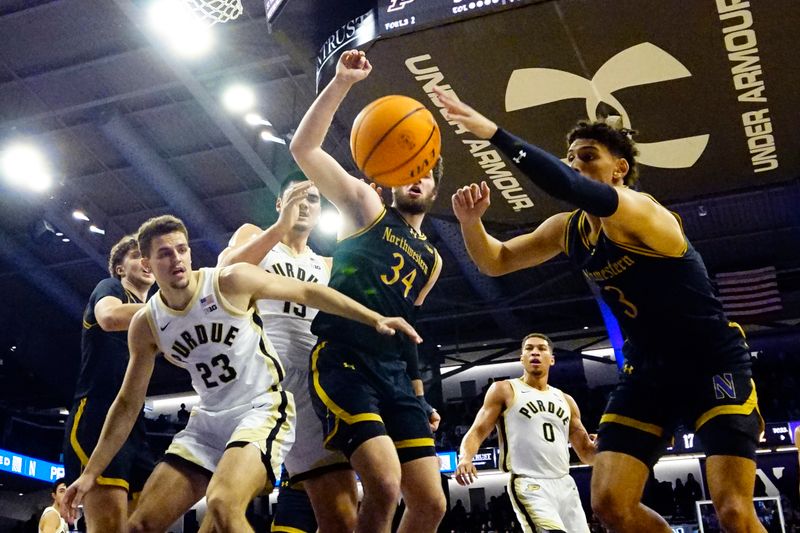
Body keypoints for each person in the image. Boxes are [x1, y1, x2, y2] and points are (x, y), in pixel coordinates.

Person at [434, 86, 765, 533]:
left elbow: (565, 184)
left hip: (711, 361)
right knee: (610, 505)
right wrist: (471, 224)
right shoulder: (566, 230)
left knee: (733, 511)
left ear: (620, 170)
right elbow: (497, 261)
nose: (575, 166)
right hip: (648, 369)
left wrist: (493, 133)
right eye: (571, 158)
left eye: (588, 156)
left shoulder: (640, 211)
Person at [61, 214, 422, 533]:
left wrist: (374, 317)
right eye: (165, 253)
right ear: (148, 263)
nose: (177, 259)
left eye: (182, 249)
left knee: (223, 503)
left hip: (262, 409)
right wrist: (91, 472)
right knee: (140, 525)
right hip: (208, 423)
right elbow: (127, 403)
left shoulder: (228, 282)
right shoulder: (147, 322)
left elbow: (309, 291)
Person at [290, 49, 446, 533]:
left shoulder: (433, 259)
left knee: (431, 503)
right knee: (382, 483)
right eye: (410, 170)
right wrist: (341, 84)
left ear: (434, 185)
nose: (416, 178)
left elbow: (410, 336)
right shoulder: (363, 206)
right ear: (393, 175)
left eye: (426, 171)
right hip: (345, 359)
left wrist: (420, 396)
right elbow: (304, 150)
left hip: (395, 374)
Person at [217, 173, 348, 533]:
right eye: (297, 197)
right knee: (224, 504)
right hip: (259, 385)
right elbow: (223, 273)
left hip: (310, 393)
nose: (305, 205)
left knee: (343, 517)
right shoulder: (255, 236)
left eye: (314, 199)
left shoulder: (325, 264)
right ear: (280, 205)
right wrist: (278, 228)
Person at [455, 333, 595, 533]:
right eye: (529, 349)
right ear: (521, 358)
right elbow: (477, 431)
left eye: (541, 348)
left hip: (565, 483)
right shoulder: (505, 389)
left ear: (552, 359)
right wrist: (465, 458)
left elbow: (587, 454)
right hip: (529, 482)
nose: (535, 352)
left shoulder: (566, 400)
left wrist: (603, 447)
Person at [62, 235, 155, 533]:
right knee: (109, 527)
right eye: (138, 255)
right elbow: (110, 317)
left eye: (150, 256)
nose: (146, 261)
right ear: (118, 268)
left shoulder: (155, 316)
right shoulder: (111, 289)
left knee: (142, 524)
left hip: (134, 423)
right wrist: (174, 307)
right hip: (96, 414)